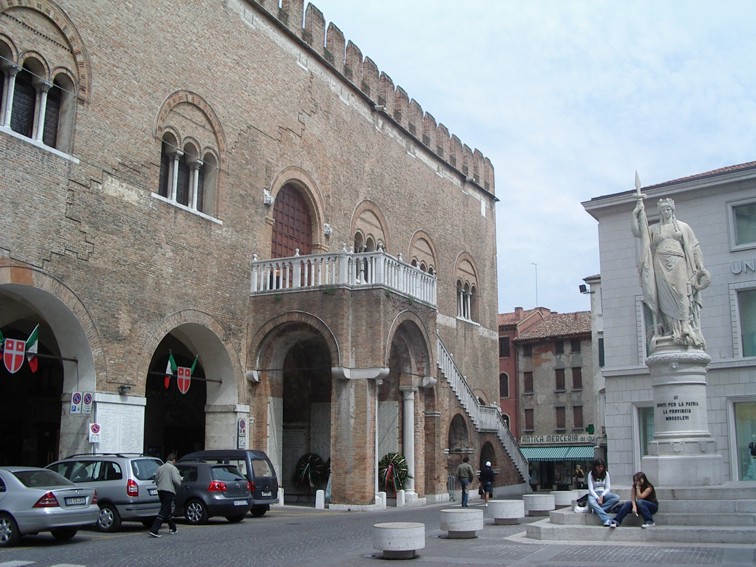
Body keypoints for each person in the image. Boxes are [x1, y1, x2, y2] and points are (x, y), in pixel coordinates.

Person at [631, 194, 710, 350]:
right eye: (663, 210)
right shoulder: (654, 229)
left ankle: (685, 326)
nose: (666, 212)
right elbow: (638, 232)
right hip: (660, 263)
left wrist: (700, 266)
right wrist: (636, 214)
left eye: (668, 209)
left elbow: (694, 247)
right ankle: (670, 329)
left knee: (682, 293)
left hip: (679, 262)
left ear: (672, 210)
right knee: (665, 298)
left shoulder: (683, 227)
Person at [149, 452, 183, 537]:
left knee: (167, 509)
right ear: (174, 460)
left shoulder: (160, 468)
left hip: (160, 490)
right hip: (169, 490)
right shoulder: (173, 468)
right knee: (164, 510)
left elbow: (156, 478)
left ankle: (173, 528)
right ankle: (154, 529)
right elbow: (176, 480)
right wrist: (180, 481)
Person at [586, 458, 620, 527]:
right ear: (595, 467)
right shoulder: (591, 474)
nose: (600, 469)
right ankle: (606, 519)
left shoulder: (606, 474)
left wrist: (602, 496)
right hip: (594, 494)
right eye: (599, 467)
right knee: (592, 502)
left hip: (603, 493)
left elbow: (607, 488)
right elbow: (591, 489)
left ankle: (597, 510)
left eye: (602, 467)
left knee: (616, 497)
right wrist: (597, 497)